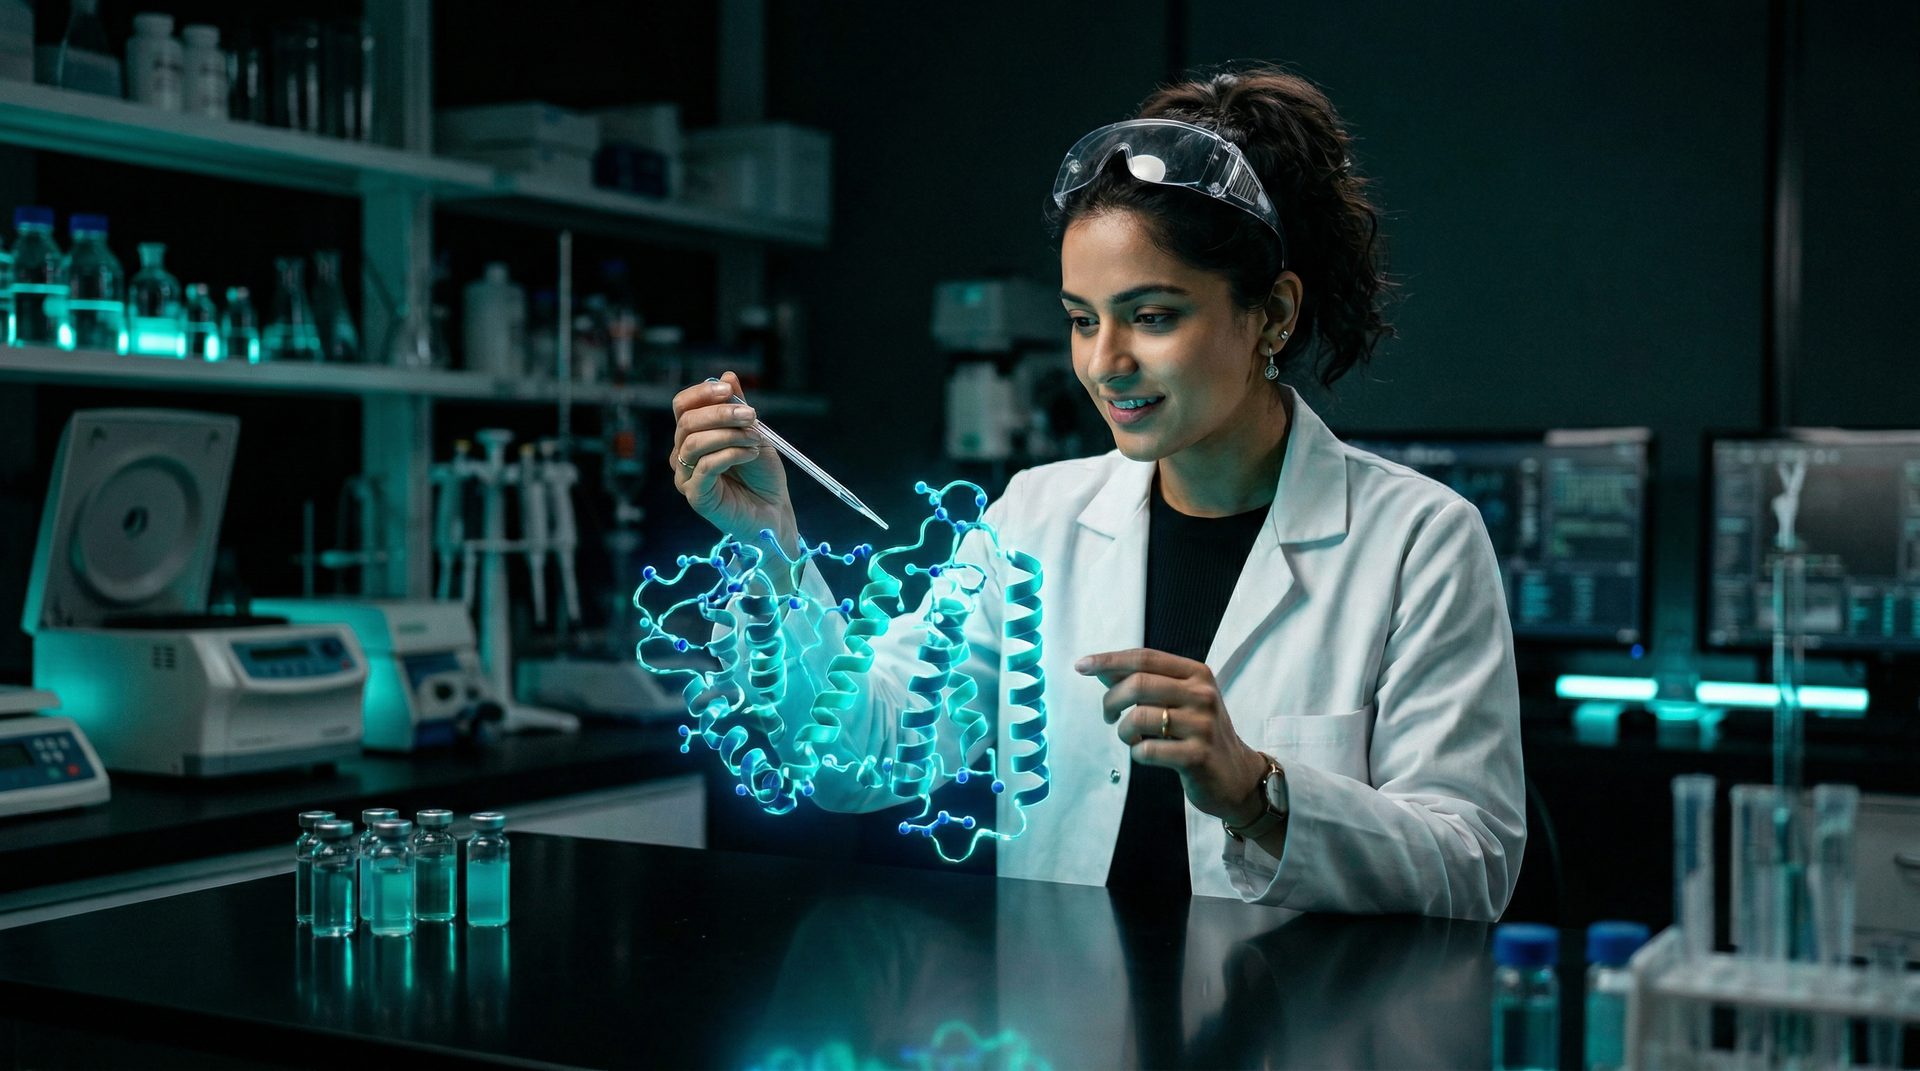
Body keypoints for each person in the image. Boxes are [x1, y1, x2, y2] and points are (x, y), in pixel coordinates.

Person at [668, 65, 1525, 920]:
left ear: (1273, 313)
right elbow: (854, 760)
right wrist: (770, 544)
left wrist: (1258, 791)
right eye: (1084, 319)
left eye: (1152, 316)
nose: (1105, 363)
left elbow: (1472, 868)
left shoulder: (1419, 540)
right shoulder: (1036, 521)